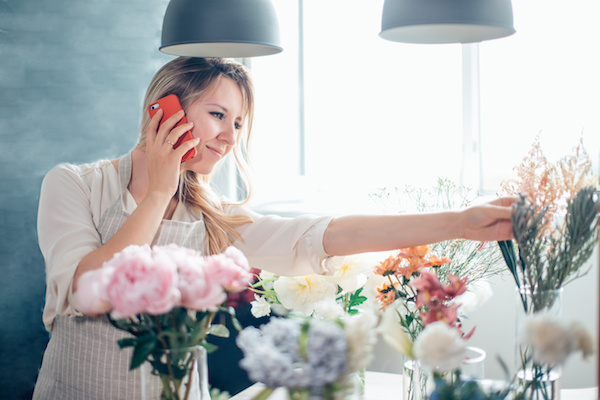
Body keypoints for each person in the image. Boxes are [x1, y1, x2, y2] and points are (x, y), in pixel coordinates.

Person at [33, 57, 515, 400]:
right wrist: (159, 191)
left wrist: (460, 222)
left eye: (238, 123)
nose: (229, 136)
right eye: (218, 114)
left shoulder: (213, 216)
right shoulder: (74, 185)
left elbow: (324, 236)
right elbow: (84, 287)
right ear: (164, 110)